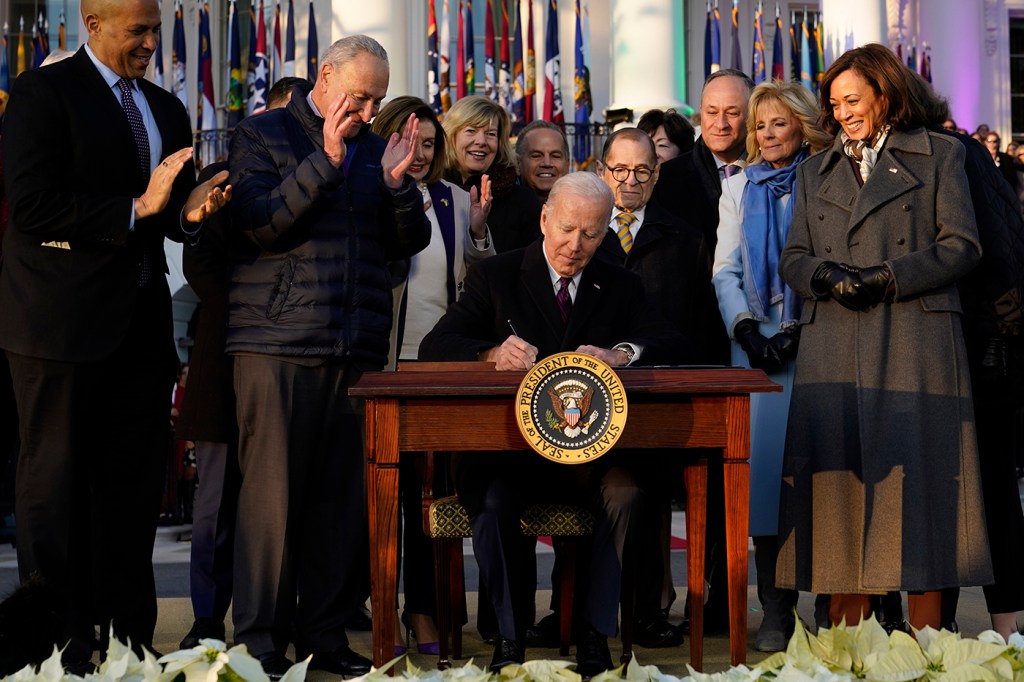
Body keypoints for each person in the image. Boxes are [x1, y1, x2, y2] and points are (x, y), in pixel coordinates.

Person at [0, 0, 229, 672]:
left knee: (131, 490)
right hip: (56, 327)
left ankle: (129, 639)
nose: (153, 42)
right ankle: (55, 646)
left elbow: (168, 217)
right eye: (139, 31)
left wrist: (191, 212)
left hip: (139, 328)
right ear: (92, 26)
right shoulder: (42, 94)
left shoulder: (163, 108)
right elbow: (32, 204)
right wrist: (136, 208)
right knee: (56, 488)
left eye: (156, 29)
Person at [419, 172, 690, 676]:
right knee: (493, 500)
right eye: (567, 229)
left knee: (628, 493)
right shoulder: (495, 276)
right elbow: (437, 345)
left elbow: (671, 340)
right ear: (545, 219)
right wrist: (491, 352)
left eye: (591, 233)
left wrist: (622, 353)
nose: (576, 245)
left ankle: (594, 632)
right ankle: (508, 636)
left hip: (591, 457)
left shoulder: (621, 284)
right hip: (507, 452)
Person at [226, 34, 429, 678]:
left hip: (355, 348)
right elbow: (258, 222)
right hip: (276, 344)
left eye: (376, 100)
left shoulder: (377, 150)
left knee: (341, 506)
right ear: (325, 75)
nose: (368, 112)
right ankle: (261, 642)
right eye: (359, 96)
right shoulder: (261, 136)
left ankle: (325, 638)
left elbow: (406, 246)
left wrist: (398, 188)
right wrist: (326, 160)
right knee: (272, 503)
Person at [776, 43, 993, 631]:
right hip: (834, 345)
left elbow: (962, 245)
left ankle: (930, 635)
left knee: (922, 489)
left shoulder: (941, 155)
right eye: (835, 102)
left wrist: (890, 277)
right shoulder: (813, 169)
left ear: (887, 95)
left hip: (914, 341)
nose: (843, 111)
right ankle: (851, 635)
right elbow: (793, 255)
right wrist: (824, 276)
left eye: (854, 99)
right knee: (842, 491)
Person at [176, 75, 304, 651]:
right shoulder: (218, 181)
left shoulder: (320, 179)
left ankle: (278, 621)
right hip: (222, 365)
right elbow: (199, 273)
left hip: (294, 366)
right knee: (215, 510)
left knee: (283, 508)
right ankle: (207, 620)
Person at [370, 95, 495, 655]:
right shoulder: (368, 191)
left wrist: (477, 232)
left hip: (440, 369)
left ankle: (426, 610)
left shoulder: (457, 197)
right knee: (385, 501)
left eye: (426, 143)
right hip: (384, 368)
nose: (417, 154)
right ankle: (382, 606)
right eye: (404, 141)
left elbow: (480, 288)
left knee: (432, 501)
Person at [593, 126, 724, 648]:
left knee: (648, 494)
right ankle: (583, 609)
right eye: (619, 170)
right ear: (603, 171)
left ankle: (647, 611)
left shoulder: (685, 240)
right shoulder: (580, 229)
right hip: (590, 400)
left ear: (656, 175)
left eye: (642, 171)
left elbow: (697, 332)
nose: (629, 181)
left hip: (660, 397)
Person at [712, 81, 831, 651]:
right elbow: (725, 269)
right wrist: (744, 329)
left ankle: (837, 604)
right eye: (759, 126)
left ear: (803, 125)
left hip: (825, 341)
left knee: (830, 474)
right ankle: (778, 611)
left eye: (777, 124)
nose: (765, 135)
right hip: (758, 351)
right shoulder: (737, 189)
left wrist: (805, 326)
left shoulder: (828, 178)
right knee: (767, 484)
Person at [653, 69, 755, 253]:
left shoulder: (774, 172)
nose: (720, 124)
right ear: (701, 112)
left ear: (751, 116)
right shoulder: (668, 179)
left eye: (732, 113)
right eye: (712, 112)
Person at [442, 96, 542, 253]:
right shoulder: (430, 191)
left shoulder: (524, 202)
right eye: (471, 131)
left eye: (490, 133)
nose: (481, 141)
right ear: (450, 135)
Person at [515, 120, 571, 202]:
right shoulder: (496, 208)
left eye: (555, 156)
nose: (547, 163)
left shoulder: (585, 209)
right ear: (518, 165)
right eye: (536, 156)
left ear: (567, 165)